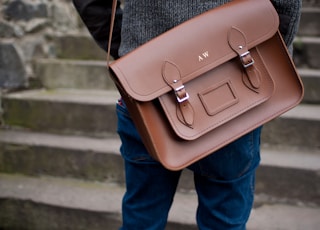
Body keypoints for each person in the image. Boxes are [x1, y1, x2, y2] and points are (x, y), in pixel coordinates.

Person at [72, 1, 302, 229]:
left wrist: (132, 51)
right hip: (233, 82)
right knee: (223, 222)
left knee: (142, 218)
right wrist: (265, 49)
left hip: (147, 89)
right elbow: (286, 4)